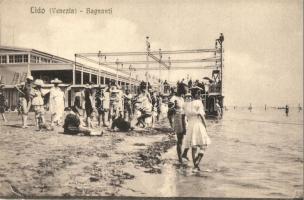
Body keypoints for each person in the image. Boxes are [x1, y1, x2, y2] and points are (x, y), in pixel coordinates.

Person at [182, 88, 211, 171]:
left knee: (193, 146)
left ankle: (195, 166)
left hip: (190, 125)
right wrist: (205, 126)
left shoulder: (186, 104)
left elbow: (185, 116)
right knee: (204, 145)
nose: (200, 95)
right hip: (198, 124)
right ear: (197, 94)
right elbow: (201, 115)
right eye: (199, 93)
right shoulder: (199, 102)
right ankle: (198, 160)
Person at [172, 82, 187, 163]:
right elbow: (169, 110)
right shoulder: (174, 98)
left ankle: (183, 155)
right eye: (184, 90)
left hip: (183, 118)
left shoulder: (182, 98)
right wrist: (173, 110)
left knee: (184, 138)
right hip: (178, 119)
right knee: (180, 139)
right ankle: (180, 159)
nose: (185, 92)